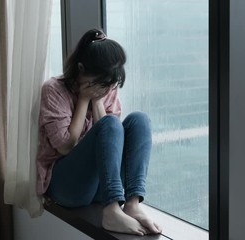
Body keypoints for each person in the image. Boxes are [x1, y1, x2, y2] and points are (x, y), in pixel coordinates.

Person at [36, 28, 161, 236]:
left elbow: (109, 140)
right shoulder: (53, 90)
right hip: (67, 186)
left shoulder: (106, 88)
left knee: (140, 120)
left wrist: (97, 100)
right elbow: (65, 146)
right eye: (101, 83)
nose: (107, 88)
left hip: (99, 185)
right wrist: (84, 99)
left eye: (110, 83)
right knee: (111, 123)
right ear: (81, 69)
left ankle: (132, 203)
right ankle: (111, 209)